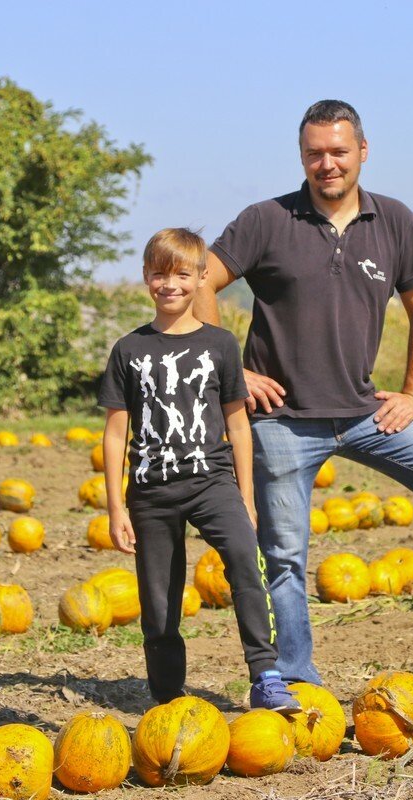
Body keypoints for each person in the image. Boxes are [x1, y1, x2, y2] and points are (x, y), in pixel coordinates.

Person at [194, 100, 413, 685]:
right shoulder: (266, 220)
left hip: (365, 412)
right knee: (283, 555)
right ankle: (293, 680)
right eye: (315, 153)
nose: (327, 164)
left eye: (338, 151)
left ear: (362, 151)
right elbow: (203, 281)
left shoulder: (395, 222)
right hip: (281, 421)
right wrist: (233, 374)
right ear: (302, 156)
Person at [98, 227, 299, 711]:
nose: (170, 284)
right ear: (146, 277)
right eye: (159, 274)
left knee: (247, 565)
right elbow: (114, 432)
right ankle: (168, 699)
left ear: (201, 277)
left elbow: (239, 426)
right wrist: (115, 506)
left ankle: (266, 674)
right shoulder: (129, 350)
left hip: (213, 483)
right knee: (160, 603)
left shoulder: (220, 345)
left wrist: (246, 499)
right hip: (151, 491)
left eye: (182, 274)